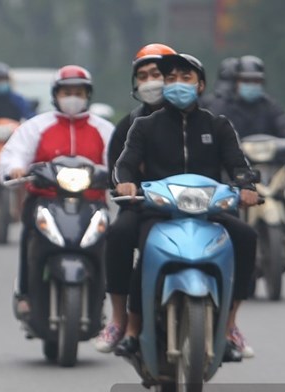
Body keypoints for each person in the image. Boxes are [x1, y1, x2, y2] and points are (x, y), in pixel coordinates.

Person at [112, 53, 260, 361]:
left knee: (246, 236)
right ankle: (130, 328)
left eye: (186, 78)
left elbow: (238, 164)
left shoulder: (217, 126)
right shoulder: (144, 125)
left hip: (210, 209)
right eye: (171, 78)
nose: (177, 84)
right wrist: (124, 183)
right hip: (158, 209)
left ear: (201, 85)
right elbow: (124, 164)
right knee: (142, 249)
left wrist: (246, 186)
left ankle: (230, 324)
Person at [0, 65, 114, 317]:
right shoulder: (36, 126)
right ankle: (25, 293)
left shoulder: (104, 129)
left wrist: (122, 178)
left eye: (78, 91)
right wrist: (16, 168)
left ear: (88, 94)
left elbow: (119, 160)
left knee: (106, 244)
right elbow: (15, 152)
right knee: (30, 232)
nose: (72, 97)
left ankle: (102, 298)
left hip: (91, 203)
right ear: (55, 94)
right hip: (46, 200)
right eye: (66, 91)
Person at [95, 43, 177, 353]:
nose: (150, 81)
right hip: (144, 206)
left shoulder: (200, 120)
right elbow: (117, 170)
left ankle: (226, 322)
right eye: (142, 76)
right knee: (118, 233)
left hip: (193, 207)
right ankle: (120, 318)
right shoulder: (130, 125)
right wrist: (125, 185)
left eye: (157, 73)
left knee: (236, 233)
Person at [207, 55, 285, 264]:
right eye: (246, 80)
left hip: (270, 162)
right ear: (236, 82)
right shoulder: (222, 106)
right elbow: (214, 128)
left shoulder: (268, 105)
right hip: (237, 165)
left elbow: (284, 121)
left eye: (256, 81)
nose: (251, 85)